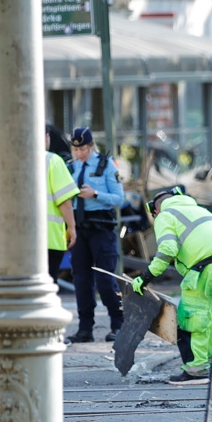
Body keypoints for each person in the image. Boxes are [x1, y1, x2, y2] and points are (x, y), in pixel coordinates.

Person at [132, 185, 212, 382]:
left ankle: (197, 369)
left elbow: (167, 249)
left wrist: (146, 277)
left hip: (209, 266)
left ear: (155, 209)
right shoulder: (199, 209)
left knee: (192, 316)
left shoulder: (165, 215)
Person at [66, 127, 126, 343]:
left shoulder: (106, 165)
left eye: (82, 148)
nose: (79, 153)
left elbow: (119, 198)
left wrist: (96, 194)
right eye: (76, 149)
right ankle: (85, 328)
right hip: (79, 228)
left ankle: (118, 324)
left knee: (104, 279)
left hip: (101, 229)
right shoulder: (70, 167)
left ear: (90, 146)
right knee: (81, 280)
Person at [45, 127, 79, 281]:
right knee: (47, 285)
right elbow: (64, 200)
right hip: (49, 238)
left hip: (19, 240)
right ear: (46, 137)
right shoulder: (52, 160)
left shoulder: (14, 161)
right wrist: (71, 227)